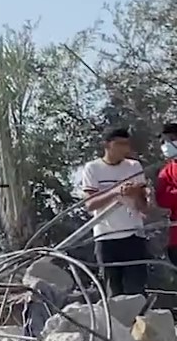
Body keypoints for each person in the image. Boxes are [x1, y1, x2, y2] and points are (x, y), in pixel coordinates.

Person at [74, 126, 153, 297]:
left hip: (133, 235)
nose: (124, 149)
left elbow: (144, 207)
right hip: (106, 237)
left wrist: (136, 193)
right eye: (119, 144)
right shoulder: (92, 168)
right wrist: (115, 192)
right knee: (113, 291)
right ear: (107, 145)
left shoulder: (133, 166)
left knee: (136, 290)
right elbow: (90, 204)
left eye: (126, 144)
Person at [157, 123, 177, 270]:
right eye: (163, 142)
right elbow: (163, 200)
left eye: (170, 140)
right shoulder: (165, 173)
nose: (166, 145)